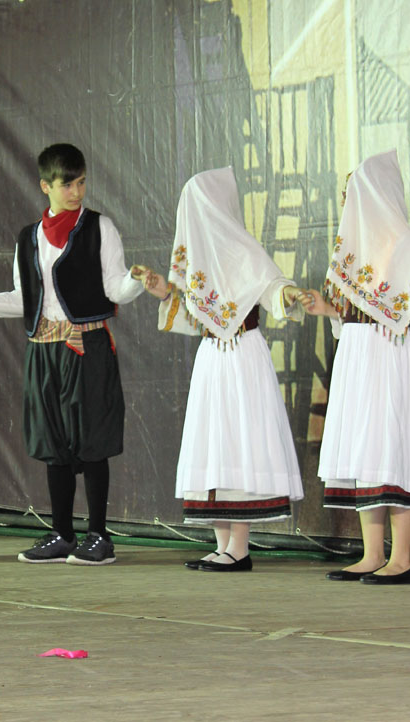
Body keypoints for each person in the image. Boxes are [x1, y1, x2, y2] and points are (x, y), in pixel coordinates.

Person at [0, 143, 151, 565]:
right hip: (43, 351)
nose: (76, 192)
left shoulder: (100, 227)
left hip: (87, 347)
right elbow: (24, 299)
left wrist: (137, 280)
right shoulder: (28, 238)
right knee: (53, 443)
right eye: (67, 184)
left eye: (81, 182)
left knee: (92, 441)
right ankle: (62, 534)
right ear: (45, 186)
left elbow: (115, 288)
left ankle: (99, 537)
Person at [138, 166, 305, 572]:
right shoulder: (200, 261)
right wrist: (164, 292)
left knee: (239, 440)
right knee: (214, 441)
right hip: (213, 357)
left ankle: (240, 547)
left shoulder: (243, 251)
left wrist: (288, 293)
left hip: (243, 355)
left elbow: (271, 286)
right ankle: (222, 543)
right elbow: (195, 316)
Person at [301, 150, 410, 585]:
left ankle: (403, 558)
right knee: (366, 449)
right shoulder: (353, 251)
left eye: (353, 194)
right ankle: (373, 553)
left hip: (391, 355)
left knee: (392, 447)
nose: (347, 203)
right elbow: (349, 311)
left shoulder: (406, 245)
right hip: (359, 355)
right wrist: (325, 308)